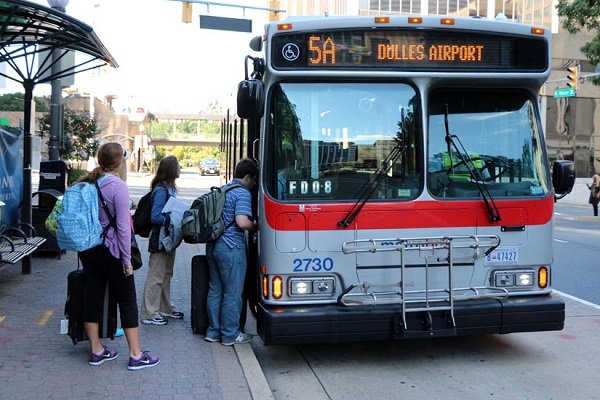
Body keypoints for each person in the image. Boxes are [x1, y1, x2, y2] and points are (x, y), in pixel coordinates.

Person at [78, 142, 159, 370]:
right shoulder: (118, 187)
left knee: (92, 297)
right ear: (120, 162)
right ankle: (136, 355)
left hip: (89, 250)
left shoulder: (88, 183)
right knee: (127, 301)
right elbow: (124, 228)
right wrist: (126, 260)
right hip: (113, 252)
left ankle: (97, 350)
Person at [205, 158, 259, 345]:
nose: (253, 185)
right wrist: (256, 227)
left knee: (215, 290)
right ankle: (230, 334)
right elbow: (242, 222)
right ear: (247, 177)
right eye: (253, 181)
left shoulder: (222, 189)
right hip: (231, 247)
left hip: (212, 246)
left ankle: (213, 332)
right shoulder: (242, 193)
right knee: (233, 293)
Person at [140, 156, 183, 325]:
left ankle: (165, 307)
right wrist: (172, 218)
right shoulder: (161, 190)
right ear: (172, 169)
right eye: (178, 166)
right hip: (160, 238)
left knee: (166, 274)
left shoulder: (169, 189)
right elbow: (155, 216)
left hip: (168, 238)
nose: (180, 168)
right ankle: (149, 313)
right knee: (156, 276)